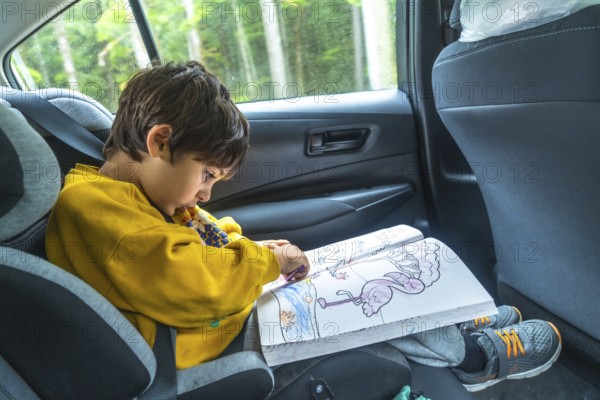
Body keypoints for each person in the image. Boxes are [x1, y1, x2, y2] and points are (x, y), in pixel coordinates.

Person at [45, 61, 561, 393]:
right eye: (205, 176)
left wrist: (247, 247)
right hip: (203, 340)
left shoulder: (142, 199)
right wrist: (264, 260)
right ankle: (476, 357)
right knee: (369, 303)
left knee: (379, 266)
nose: (205, 194)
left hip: (219, 318)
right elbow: (189, 281)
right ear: (159, 142)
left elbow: (204, 243)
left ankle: (461, 316)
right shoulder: (93, 207)